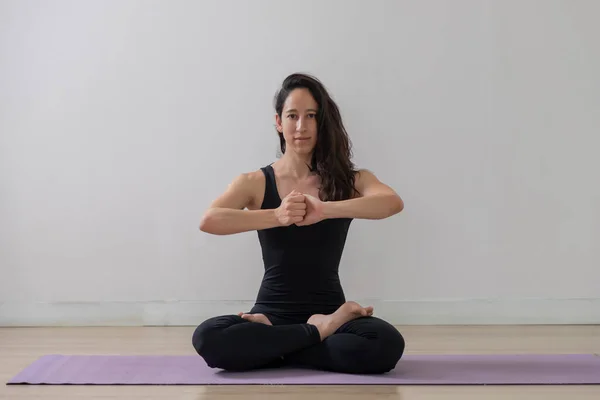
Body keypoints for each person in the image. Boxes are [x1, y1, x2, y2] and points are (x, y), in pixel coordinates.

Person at [192, 73, 406, 374]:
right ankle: (316, 334)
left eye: (311, 116)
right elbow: (210, 220)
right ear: (279, 122)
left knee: (385, 345)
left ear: (322, 122)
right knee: (208, 337)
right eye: (292, 116)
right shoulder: (254, 182)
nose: (301, 126)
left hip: (328, 308)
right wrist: (277, 216)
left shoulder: (349, 180)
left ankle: (276, 349)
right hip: (272, 315)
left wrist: (325, 209)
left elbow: (391, 202)